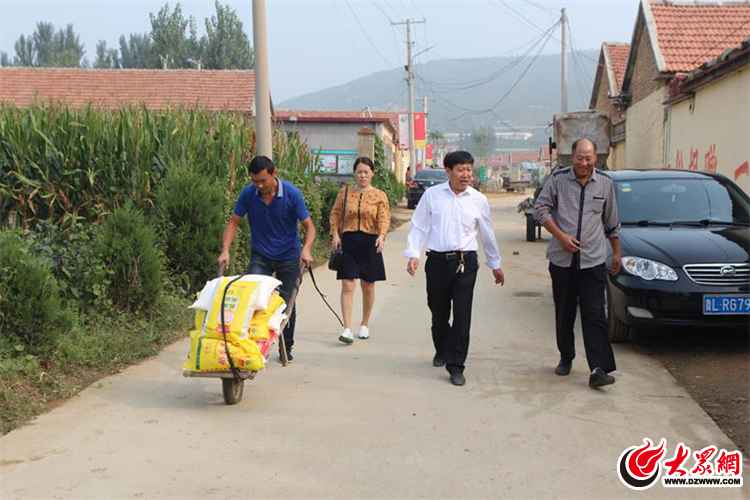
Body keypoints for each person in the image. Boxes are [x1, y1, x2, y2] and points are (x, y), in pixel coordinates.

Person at [404, 151, 505, 387]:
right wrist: (413, 254)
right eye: (460, 169)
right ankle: (442, 348)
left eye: (469, 169)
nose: (466, 174)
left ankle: (456, 365)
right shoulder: (432, 196)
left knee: (462, 315)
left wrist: (495, 264)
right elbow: (418, 226)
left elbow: (487, 233)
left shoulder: (478, 200)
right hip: (437, 262)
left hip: (466, 262)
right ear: (448, 171)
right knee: (438, 312)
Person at [533, 138, 621, 389]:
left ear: (596, 157)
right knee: (565, 312)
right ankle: (566, 356)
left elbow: (612, 222)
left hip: (593, 261)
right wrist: (561, 237)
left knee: (595, 314)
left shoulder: (605, 184)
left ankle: (599, 368)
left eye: (588, 157)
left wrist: (616, 253)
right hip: (562, 262)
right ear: (572, 157)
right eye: (580, 157)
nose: (584, 162)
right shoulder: (558, 180)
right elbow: (541, 209)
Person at [218, 155, 316, 362]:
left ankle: (285, 347)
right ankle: (252, 344)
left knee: (285, 302)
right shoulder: (249, 194)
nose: (259, 185)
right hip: (261, 255)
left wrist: (306, 249)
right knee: (252, 298)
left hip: (289, 256)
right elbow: (233, 222)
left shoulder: (291, 194)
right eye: (255, 181)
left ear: (274, 174)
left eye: (263, 180)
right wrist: (225, 250)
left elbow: (309, 227)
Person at [329, 156, 390, 344]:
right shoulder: (345, 192)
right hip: (348, 241)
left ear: (372, 174)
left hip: (370, 242)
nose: (362, 175)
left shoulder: (380, 195)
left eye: (366, 172)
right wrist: (335, 235)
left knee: (368, 285)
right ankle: (347, 328)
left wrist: (381, 235)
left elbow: (384, 217)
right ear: (354, 173)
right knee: (347, 284)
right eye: (359, 172)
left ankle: (364, 323)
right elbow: (335, 214)